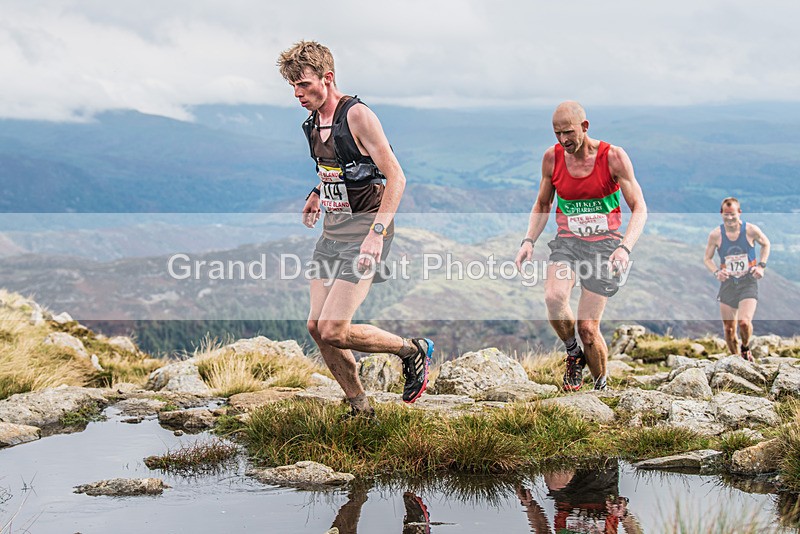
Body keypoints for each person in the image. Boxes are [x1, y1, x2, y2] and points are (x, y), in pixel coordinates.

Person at [277, 41, 433, 416]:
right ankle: (359, 405)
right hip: (332, 233)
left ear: (327, 79)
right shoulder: (312, 122)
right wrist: (317, 191)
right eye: (293, 87)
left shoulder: (358, 116)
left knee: (333, 328)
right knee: (316, 327)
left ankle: (413, 350)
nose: (298, 94)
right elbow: (337, 168)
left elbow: (396, 177)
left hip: (367, 231)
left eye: (304, 84)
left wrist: (375, 235)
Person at [515, 101, 647, 392]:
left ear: (585, 127)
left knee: (589, 328)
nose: (564, 140)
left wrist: (625, 247)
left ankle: (601, 386)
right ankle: (573, 353)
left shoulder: (613, 157)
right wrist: (528, 240)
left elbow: (639, 207)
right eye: (557, 133)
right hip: (569, 243)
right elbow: (543, 202)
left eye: (569, 132)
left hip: (605, 247)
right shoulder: (552, 158)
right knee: (553, 297)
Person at [703, 197, 770, 361]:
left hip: (748, 281)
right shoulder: (716, 235)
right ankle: (736, 361)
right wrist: (717, 272)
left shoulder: (750, 230)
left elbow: (766, 244)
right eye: (726, 214)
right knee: (729, 329)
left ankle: (745, 348)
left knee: (744, 323)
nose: (730, 218)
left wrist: (761, 265)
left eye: (732, 214)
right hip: (728, 284)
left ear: (739, 212)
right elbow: (707, 259)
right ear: (721, 214)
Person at [516, 460, 643, 534]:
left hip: (566, 496)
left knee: (556, 482)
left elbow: (543, 531)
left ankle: (561, 435)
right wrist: (623, 514)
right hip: (601, 491)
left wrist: (529, 505)